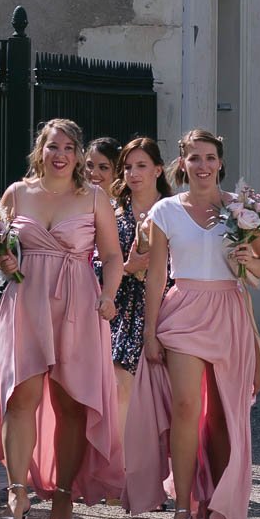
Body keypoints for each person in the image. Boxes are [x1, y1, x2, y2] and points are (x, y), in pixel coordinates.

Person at [125, 128, 260, 519]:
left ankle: (218, 515)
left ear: (221, 163)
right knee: (186, 408)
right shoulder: (166, 211)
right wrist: (151, 334)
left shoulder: (244, 209)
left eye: (209, 157)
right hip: (183, 313)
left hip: (229, 313)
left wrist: (250, 261)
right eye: (194, 158)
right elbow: (155, 277)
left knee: (227, 416)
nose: (203, 166)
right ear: (181, 164)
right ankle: (181, 509)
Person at [0, 118, 125, 519]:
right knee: (20, 397)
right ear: (39, 151)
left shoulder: (94, 197)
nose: (59, 155)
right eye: (52, 146)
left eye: (68, 148)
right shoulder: (16, 193)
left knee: (71, 403)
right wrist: (1, 259)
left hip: (78, 302)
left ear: (79, 155)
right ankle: (16, 491)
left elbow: (113, 257)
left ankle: (63, 497)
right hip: (26, 301)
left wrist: (108, 294)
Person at [105, 136, 174, 439]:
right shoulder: (110, 212)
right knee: (120, 388)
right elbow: (95, 266)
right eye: (127, 167)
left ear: (158, 170)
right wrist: (129, 267)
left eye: (141, 166)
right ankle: (119, 472)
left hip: (167, 306)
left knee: (165, 396)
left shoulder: (175, 211)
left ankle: (158, 468)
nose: (133, 174)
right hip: (120, 309)